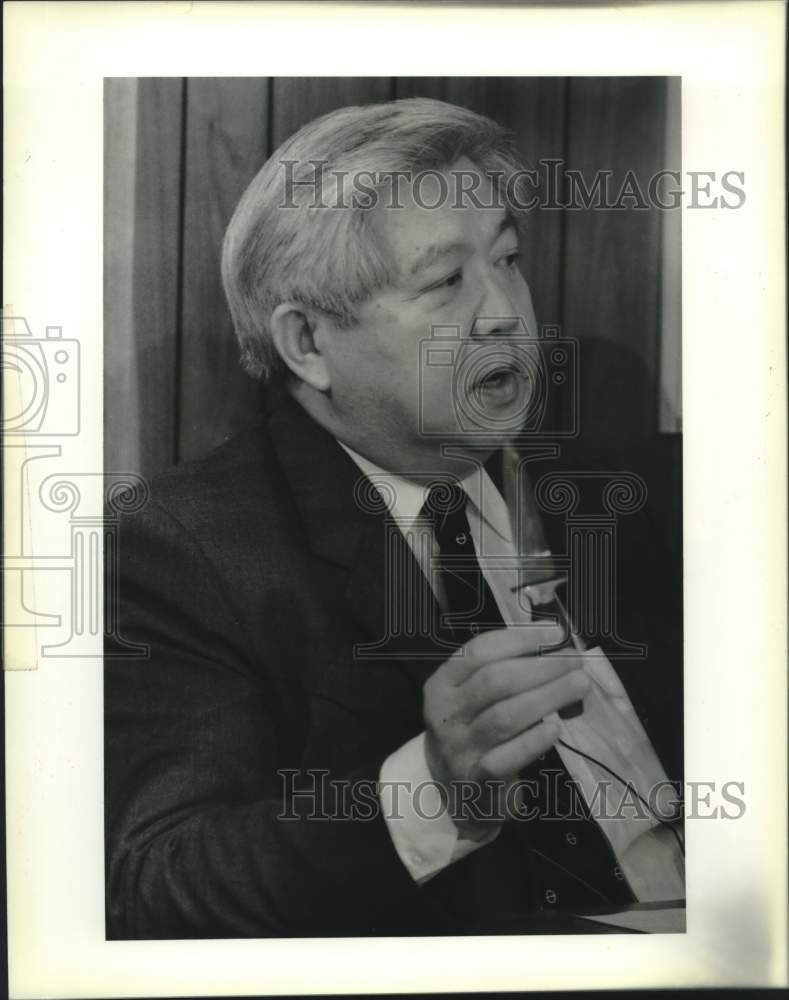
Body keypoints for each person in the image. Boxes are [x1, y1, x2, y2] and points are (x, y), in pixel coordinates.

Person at [104, 98, 684, 939]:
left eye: (508, 259)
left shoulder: (641, 488)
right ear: (307, 344)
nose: (505, 315)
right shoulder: (184, 548)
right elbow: (164, 881)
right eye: (446, 281)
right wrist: (433, 789)